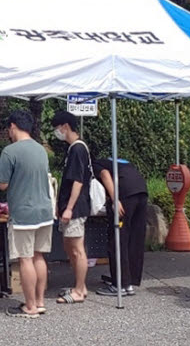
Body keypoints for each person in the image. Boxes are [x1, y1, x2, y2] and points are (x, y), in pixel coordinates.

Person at [0, 110, 54, 318]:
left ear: (12, 126)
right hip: (45, 210)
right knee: (39, 256)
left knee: (25, 258)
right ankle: (39, 301)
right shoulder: (40, 150)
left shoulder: (10, 152)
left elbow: (1, 184)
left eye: (8, 128)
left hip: (24, 213)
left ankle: (29, 306)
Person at [50, 111, 92, 305]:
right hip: (70, 205)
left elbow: (77, 181)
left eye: (57, 128)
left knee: (76, 249)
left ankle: (80, 289)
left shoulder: (77, 149)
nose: (56, 132)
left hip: (76, 207)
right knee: (70, 246)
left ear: (65, 126)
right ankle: (79, 285)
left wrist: (69, 207)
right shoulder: (74, 149)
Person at [94, 157, 149, 296]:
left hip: (125, 195)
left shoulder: (97, 164)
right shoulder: (119, 161)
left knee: (118, 239)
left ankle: (119, 285)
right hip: (141, 192)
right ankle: (129, 281)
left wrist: (114, 198)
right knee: (134, 238)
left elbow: (105, 175)